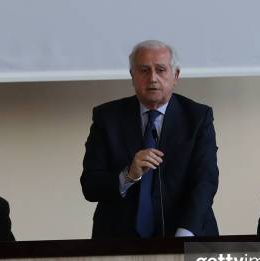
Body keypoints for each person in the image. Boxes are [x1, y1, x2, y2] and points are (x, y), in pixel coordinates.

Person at [80, 40, 219, 238]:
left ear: (175, 76)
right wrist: (128, 175)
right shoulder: (107, 118)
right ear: (132, 76)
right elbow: (90, 186)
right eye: (144, 70)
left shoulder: (197, 117)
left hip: (186, 234)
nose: (152, 78)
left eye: (161, 70)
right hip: (118, 242)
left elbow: (205, 182)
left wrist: (184, 237)